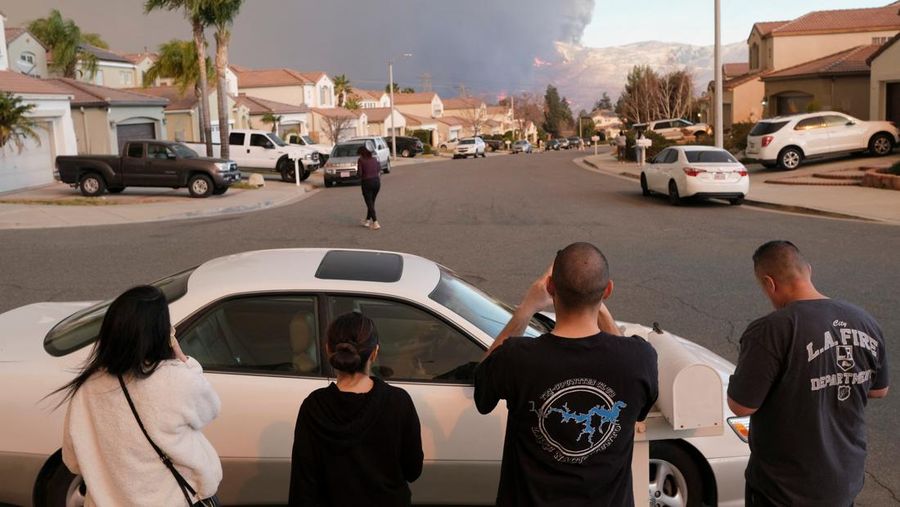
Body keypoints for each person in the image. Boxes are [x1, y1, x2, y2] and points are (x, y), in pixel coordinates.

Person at [474, 242, 658, 506]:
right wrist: (598, 305)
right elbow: (637, 403)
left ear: (550, 288)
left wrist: (527, 307)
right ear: (608, 290)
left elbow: (482, 391)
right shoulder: (640, 358)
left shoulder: (516, 357)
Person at [728, 241, 889, 506]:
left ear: (769, 283)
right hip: (844, 479)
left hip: (784, 487)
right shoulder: (864, 320)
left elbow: (741, 405)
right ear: (808, 271)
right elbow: (879, 389)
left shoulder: (772, 329)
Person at [56, 285, 222, 506]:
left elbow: (73, 461)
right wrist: (185, 360)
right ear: (161, 333)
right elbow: (210, 409)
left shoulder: (87, 388)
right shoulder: (176, 380)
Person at [289, 312, 423, 506]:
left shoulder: (314, 406)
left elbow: (303, 486)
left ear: (328, 350)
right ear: (375, 353)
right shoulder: (398, 402)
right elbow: (413, 470)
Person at [358, 143, 382, 230]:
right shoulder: (375, 159)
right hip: (377, 182)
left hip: (367, 183)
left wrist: (357, 175)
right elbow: (379, 169)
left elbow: (360, 174)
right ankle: (367, 221)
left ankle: (375, 222)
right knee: (371, 202)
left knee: (369, 203)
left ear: (361, 153)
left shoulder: (361, 160)